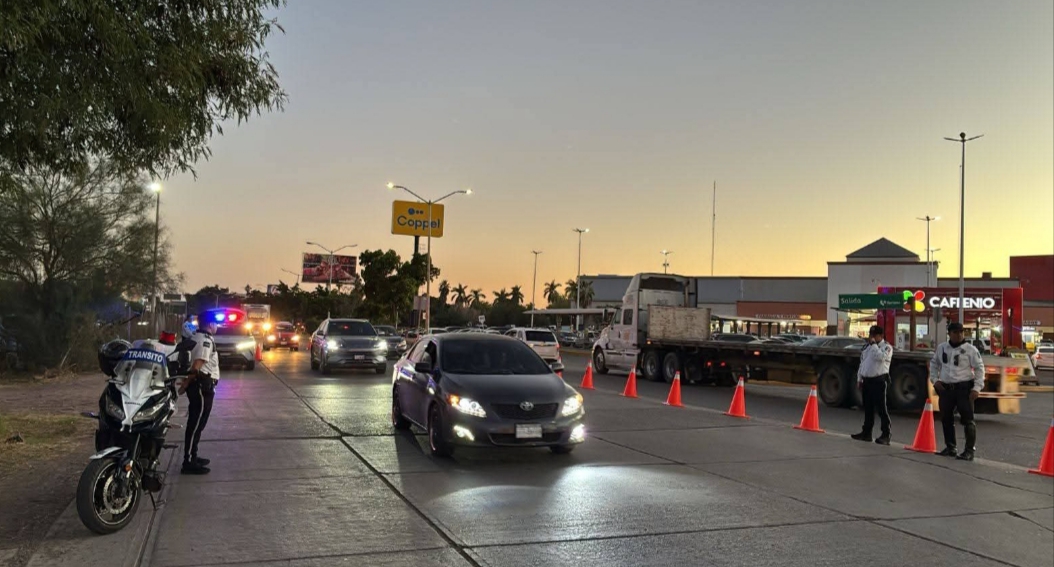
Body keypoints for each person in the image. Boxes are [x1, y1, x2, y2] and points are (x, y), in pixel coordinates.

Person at [930, 322, 985, 461]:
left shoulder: (970, 350)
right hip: (946, 389)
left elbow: (979, 368)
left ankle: (969, 451)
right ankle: (950, 447)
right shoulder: (942, 348)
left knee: (968, 420)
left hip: (963, 389)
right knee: (946, 419)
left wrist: (977, 388)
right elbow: (934, 364)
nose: (959, 335)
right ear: (949, 333)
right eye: (955, 332)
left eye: (961, 332)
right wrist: (935, 380)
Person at [182, 312, 220, 474]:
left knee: (196, 423)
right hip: (202, 386)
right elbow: (197, 365)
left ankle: (193, 455)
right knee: (196, 424)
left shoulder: (196, 337)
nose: (217, 326)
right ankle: (188, 461)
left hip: (200, 385)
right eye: (215, 323)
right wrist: (185, 384)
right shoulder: (205, 341)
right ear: (210, 324)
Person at [852, 325, 894, 445]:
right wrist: (859, 378)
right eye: (871, 335)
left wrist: (874, 345)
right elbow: (863, 363)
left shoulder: (887, 347)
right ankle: (866, 433)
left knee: (881, 409)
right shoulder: (867, 347)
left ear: (881, 336)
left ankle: (886, 434)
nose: (872, 337)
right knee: (868, 408)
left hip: (879, 381)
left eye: (875, 335)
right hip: (867, 381)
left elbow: (880, 357)